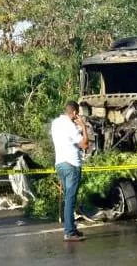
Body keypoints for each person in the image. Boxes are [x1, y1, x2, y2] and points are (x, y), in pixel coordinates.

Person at [50, 101, 89, 242]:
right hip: (71, 165)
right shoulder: (71, 126)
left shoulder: (56, 123)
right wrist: (83, 127)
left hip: (60, 164)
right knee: (70, 200)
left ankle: (71, 228)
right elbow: (85, 144)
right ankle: (69, 232)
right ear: (74, 113)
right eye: (76, 114)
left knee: (69, 199)